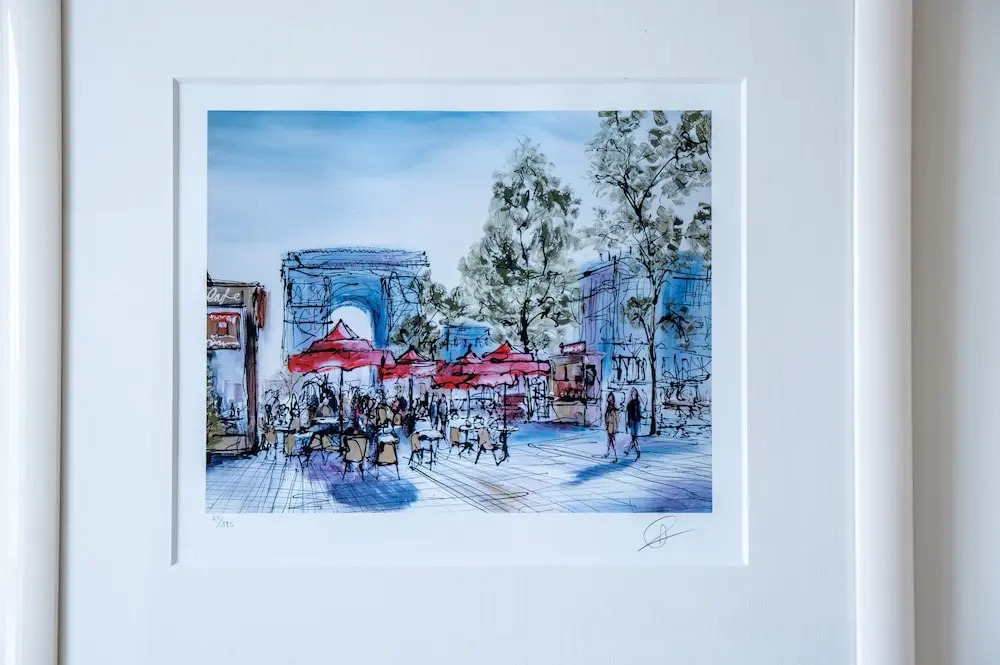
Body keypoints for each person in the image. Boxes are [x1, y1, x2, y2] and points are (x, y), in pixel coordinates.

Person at [623, 388, 642, 460]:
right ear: (631, 395)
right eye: (633, 393)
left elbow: (639, 411)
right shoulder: (630, 403)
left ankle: (628, 450)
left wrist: (639, 418)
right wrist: (627, 422)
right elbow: (628, 414)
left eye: (635, 393)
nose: (634, 395)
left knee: (634, 437)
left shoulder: (638, 402)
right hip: (631, 420)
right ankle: (638, 450)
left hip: (636, 421)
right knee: (633, 436)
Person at [603, 393, 619, 462]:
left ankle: (616, 456)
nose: (610, 400)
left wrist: (616, 428)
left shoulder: (615, 409)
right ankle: (608, 452)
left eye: (611, 399)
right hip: (609, 427)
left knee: (612, 442)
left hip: (613, 428)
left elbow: (616, 419)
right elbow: (606, 418)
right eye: (609, 399)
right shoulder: (608, 408)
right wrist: (606, 426)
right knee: (609, 441)